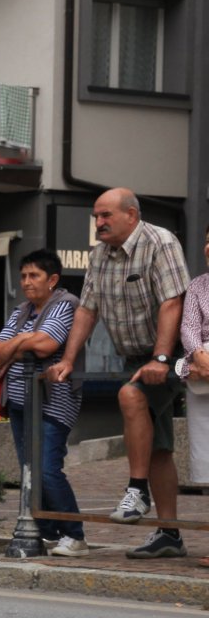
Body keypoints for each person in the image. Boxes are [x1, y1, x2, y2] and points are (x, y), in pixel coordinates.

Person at [49, 188, 190, 559]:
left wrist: (161, 358)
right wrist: (68, 359)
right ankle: (170, 535)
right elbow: (87, 310)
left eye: (105, 215)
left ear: (131, 214)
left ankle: (137, 490)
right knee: (158, 448)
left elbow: (173, 301)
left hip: (174, 353)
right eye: (96, 216)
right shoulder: (99, 254)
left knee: (130, 395)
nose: (98, 223)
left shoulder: (160, 242)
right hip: (133, 357)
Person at [0, 250, 87, 557]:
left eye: (34, 276)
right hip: (18, 400)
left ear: (52, 279)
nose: (27, 282)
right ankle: (47, 532)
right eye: (23, 276)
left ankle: (75, 535)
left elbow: (46, 345)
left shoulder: (66, 304)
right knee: (29, 469)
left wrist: (17, 341)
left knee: (46, 469)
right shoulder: (22, 310)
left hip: (54, 400)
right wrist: (23, 341)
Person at [178, 223, 209, 568]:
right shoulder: (198, 285)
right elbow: (188, 326)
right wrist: (199, 355)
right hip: (202, 375)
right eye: (208, 241)